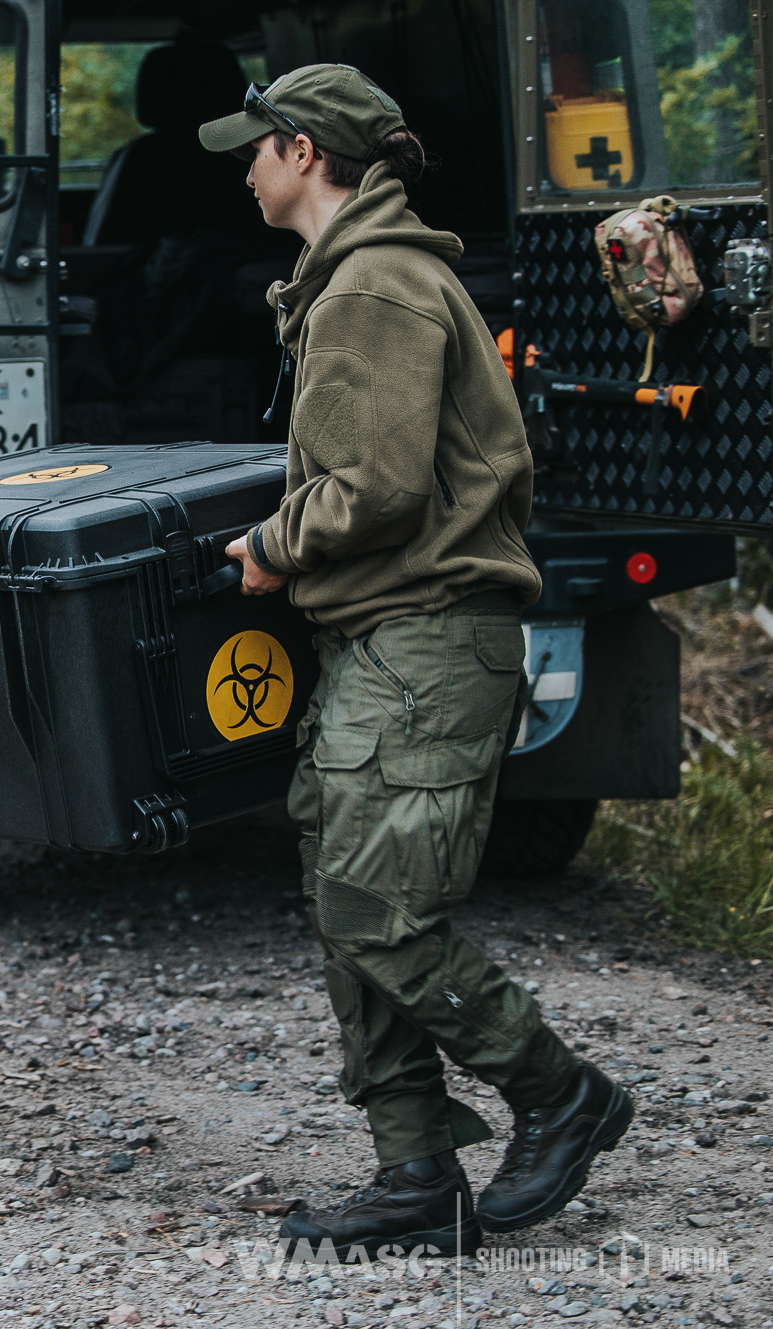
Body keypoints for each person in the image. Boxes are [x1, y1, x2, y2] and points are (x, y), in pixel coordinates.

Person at [201, 65, 634, 1253]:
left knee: (379, 911)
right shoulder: (355, 279)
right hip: (381, 639)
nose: (242, 168)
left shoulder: (375, 288)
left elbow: (375, 491)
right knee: (347, 901)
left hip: (424, 640)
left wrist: (265, 548)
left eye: (254, 148)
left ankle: (556, 1093)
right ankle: (412, 1174)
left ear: (302, 154)